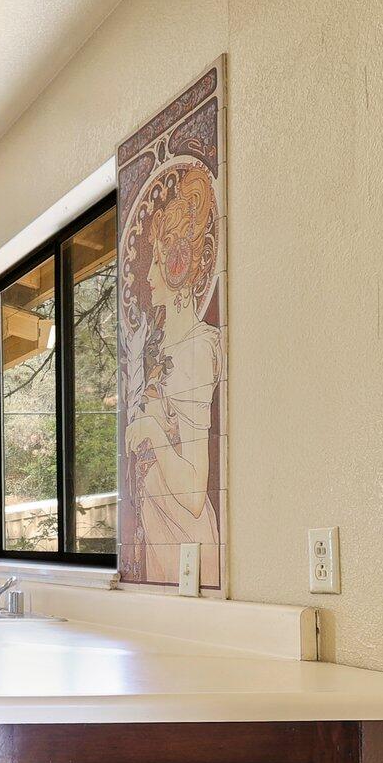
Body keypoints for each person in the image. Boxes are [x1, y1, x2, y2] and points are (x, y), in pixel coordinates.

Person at [119, 156, 223, 581]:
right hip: (165, 541)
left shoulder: (196, 350)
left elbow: (196, 492)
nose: (147, 274)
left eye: (156, 261)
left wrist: (151, 432)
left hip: (187, 540)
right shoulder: (168, 348)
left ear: (177, 266)